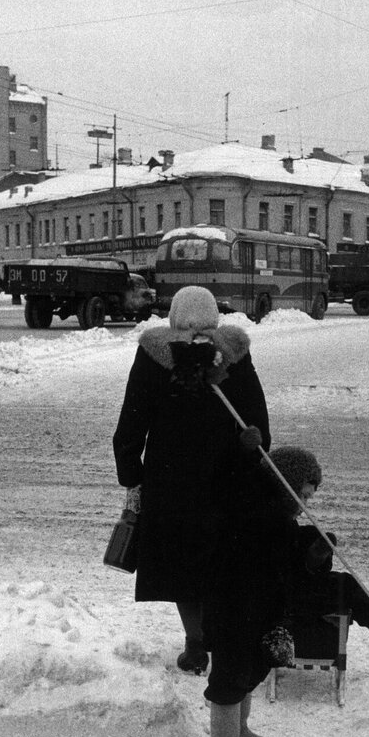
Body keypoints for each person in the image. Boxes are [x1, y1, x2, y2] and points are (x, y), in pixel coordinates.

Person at [112, 285, 271, 677]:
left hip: (172, 477)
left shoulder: (153, 353)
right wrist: (258, 449)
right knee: (220, 558)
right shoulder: (233, 351)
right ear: (215, 315)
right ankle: (221, 636)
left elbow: (133, 417)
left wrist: (131, 471)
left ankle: (196, 643)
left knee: (182, 562)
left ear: (175, 316)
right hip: (227, 474)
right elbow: (255, 414)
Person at [203, 445, 369, 737]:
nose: (305, 505)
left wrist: (312, 552)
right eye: (303, 495)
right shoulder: (248, 511)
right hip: (233, 611)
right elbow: (265, 558)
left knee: (248, 674)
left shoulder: (277, 516)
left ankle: (240, 733)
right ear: (283, 484)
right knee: (229, 680)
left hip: (259, 612)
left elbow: (287, 561)